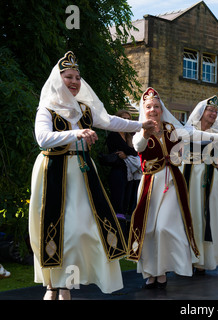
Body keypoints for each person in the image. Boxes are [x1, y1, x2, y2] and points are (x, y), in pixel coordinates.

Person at [29, 51, 154, 300]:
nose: (74, 82)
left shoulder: (84, 111)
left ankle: (65, 284)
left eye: (77, 77)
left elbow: (111, 121)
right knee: (57, 228)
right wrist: (76, 134)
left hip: (82, 174)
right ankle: (55, 285)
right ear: (58, 78)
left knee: (82, 229)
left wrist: (141, 124)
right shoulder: (46, 109)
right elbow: (42, 138)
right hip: (54, 171)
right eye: (68, 77)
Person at [128, 88, 218, 288]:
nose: (154, 110)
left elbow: (193, 133)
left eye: (156, 106)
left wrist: (217, 137)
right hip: (150, 186)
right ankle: (151, 272)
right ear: (144, 109)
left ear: (161, 108)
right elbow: (138, 147)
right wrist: (144, 132)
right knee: (149, 230)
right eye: (149, 107)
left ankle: (163, 269)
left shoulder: (171, 128)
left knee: (165, 227)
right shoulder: (140, 130)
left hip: (172, 183)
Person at [183, 95, 218, 273]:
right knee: (191, 213)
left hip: (210, 177)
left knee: (207, 215)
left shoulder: (216, 133)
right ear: (201, 112)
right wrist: (217, 139)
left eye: (215, 111)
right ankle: (188, 257)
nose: (213, 113)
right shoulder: (189, 129)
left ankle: (204, 259)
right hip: (190, 176)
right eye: (210, 110)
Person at [106, 110, 141, 221]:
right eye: (123, 118)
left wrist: (127, 154)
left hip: (130, 172)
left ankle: (125, 224)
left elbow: (135, 151)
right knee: (118, 199)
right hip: (118, 170)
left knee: (127, 199)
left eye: (128, 119)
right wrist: (128, 152)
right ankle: (117, 224)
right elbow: (130, 150)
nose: (126, 121)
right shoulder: (114, 134)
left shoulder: (129, 136)